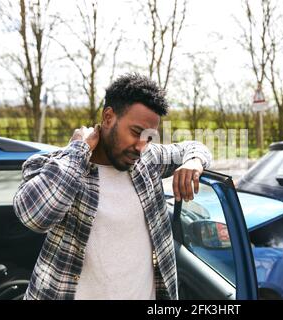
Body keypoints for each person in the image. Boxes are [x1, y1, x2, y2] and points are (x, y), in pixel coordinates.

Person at [13, 73, 212, 300]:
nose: (141, 146)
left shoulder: (148, 161)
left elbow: (195, 147)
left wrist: (194, 162)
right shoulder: (53, 165)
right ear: (108, 117)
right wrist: (79, 150)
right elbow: (35, 216)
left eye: (149, 137)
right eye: (136, 132)